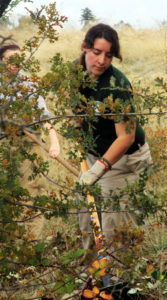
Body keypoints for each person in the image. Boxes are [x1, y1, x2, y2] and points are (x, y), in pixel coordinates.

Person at [73, 24, 152, 254]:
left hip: (123, 160)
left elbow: (125, 137)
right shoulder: (73, 74)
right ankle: (93, 278)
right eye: (97, 52)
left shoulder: (116, 85)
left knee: (113, 230)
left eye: (108, 55)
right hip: (92, 153)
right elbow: (75, 111)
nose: (101, 61)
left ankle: (121, 284)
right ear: (85, 48)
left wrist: (97, 171)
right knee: (86, 219)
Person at [0, 44, 60, 239]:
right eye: (10, 59)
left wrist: (54, 142)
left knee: (31, 193)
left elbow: (44, 117)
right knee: (6, 195)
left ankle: (31, 245)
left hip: (29, 143)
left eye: (19, 58)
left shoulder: (29, 84)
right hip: (4, 144)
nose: (15, 64)